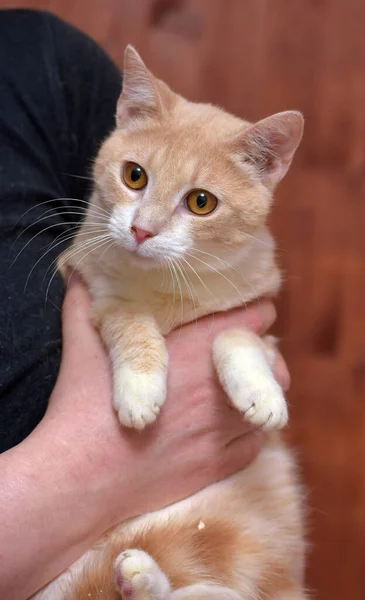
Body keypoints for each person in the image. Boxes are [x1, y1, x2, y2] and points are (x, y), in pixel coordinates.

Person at [0, 10, 290, 599]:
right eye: (135, 175)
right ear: (126, 118)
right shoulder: (103, 237)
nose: (144, 226)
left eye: (199, 202)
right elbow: (100, 290)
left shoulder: (41, 59)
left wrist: (238, 351)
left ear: (268, 167)